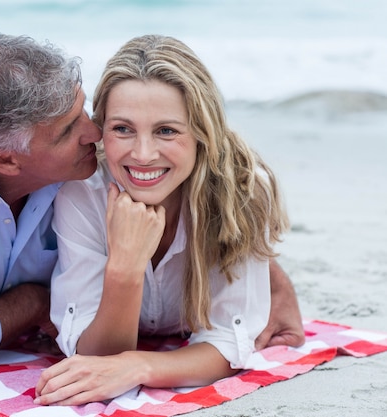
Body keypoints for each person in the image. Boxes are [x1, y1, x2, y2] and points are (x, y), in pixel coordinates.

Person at [0, 33, 303, 381]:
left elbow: (207, 164)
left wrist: (265, 265)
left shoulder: (70, 160)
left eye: (85, 111)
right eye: (71, 130)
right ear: (5, 161)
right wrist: (41, 299)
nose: (94, 135)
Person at [34, 34, 296, 406]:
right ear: (101, 129)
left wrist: (139, 366)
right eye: (122, 128)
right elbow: (90, 356)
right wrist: (124, 267)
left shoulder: (245, 189)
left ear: (202, 133)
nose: (142, 154)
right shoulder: (83, 190)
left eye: (167, 130)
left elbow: (226, 343)